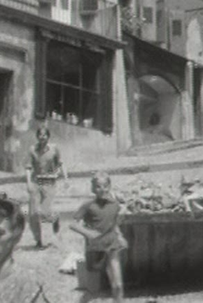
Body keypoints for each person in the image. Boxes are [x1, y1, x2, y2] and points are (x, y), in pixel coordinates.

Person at [70, 172, 127, 303]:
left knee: (118, 285)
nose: (102, 190)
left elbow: (114, 224)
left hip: (112, 246)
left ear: (109, 187)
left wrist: (120, 236)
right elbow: (73, 224)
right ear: (92, 189)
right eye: (98, 187)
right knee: (93, 290)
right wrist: (88, 234)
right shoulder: (88, 205)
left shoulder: (114, 205)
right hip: (95, 248)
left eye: (105, 186)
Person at [24, 124, 67, 249]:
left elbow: (60, 164)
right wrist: (28, 183)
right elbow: (28, 167)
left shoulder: (54, 149)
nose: (42, 137)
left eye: (45, 135)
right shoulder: (32, 150)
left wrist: (65, 178)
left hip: (49, 182)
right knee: (33, 213)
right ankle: (38, 240)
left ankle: (55, 219)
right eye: (40, 135)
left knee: (45, 211)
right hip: (36, 182)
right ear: (37, 136)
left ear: (48, 136)